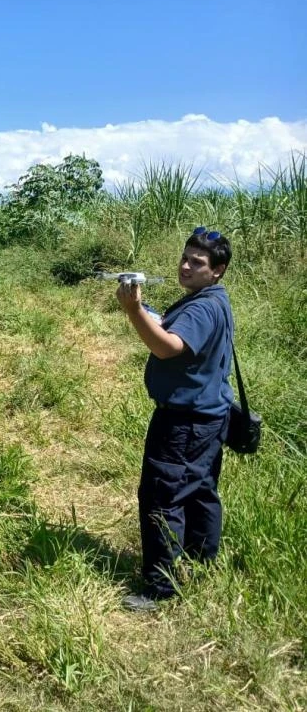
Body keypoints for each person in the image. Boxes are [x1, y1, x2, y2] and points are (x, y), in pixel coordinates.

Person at [116, 227, 234, 612]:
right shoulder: (211, 299)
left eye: (197, 263)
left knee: (161, 498)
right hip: (209, 416)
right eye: (185, 258)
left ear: (218, 270)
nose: (185, 266)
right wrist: (149, 314)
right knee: (199, 491)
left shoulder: (202, 306)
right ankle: (202, 563)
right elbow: (173, 332)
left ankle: (160, 588)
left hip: (185, 422)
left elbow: (168, 348)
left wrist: (134, 311)